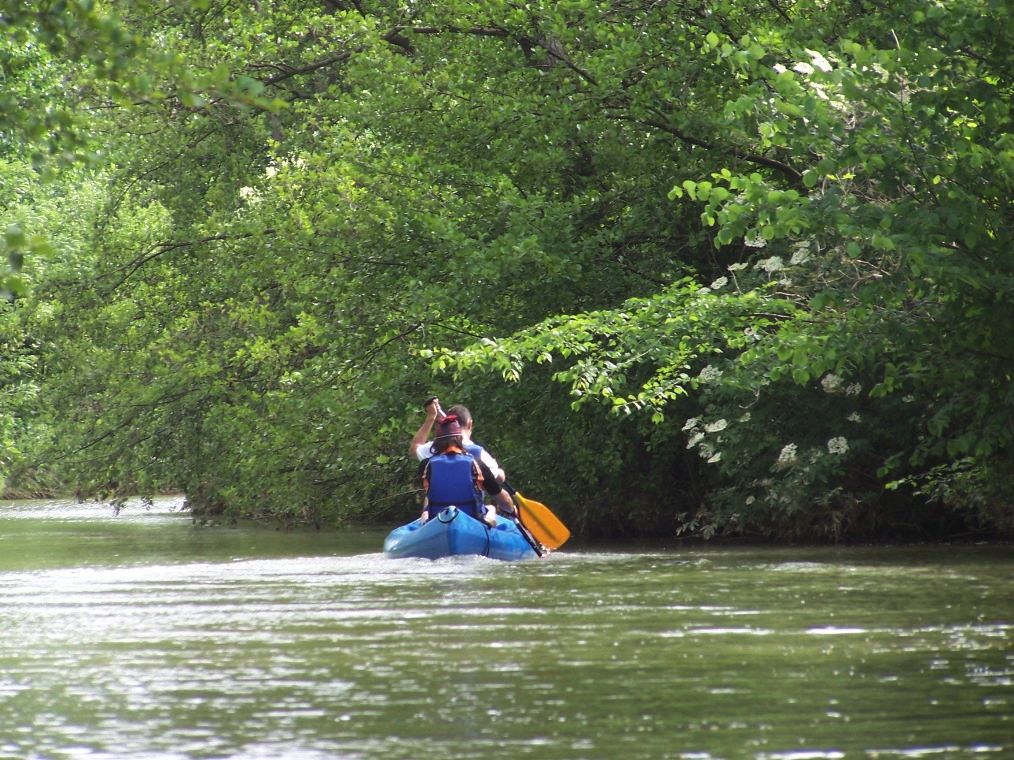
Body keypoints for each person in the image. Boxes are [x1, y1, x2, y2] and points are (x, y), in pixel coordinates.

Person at [419, 414, 515, 527]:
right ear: (460, 440)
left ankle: (425, 528)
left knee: (426, 511)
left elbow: (431, 494)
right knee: (491, 508)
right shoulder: (476, 463)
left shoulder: (426, 465)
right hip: (474, 524)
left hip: (438, 522)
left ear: (436, 442)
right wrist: (512, 510)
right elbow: (502, 499)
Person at [409, 398, 505, 483]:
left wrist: (431, 417)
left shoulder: (435, 448)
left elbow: (414, 448)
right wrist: (499, 471)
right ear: (469, 424)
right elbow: (499, 479)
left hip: (440, 502)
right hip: (469, 503)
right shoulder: (478, 453)